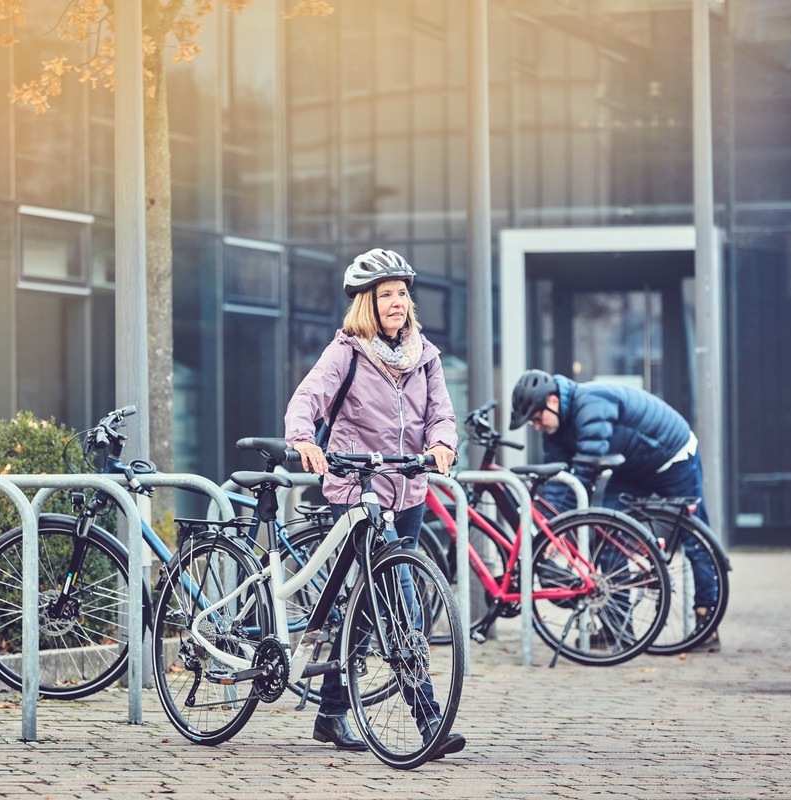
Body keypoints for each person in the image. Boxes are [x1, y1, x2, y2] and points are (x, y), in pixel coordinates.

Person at [284, 248, 465, 758]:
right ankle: (429, 719)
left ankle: (330, 713)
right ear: (367, 303)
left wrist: (443, 445)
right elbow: (307, 399)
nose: (396, 303)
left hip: (409, 490)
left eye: (402, 294)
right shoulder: (347, 352)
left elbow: (441, 414)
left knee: (365, 609)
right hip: (358, 490)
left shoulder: (425, 356)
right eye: (386, 295)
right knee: (398, 599)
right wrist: (304, 440)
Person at [508, 369, 722, 652]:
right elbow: (562, 484)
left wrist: (558, 529)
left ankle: (707, 624)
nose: (535, 426)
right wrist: (551, 528)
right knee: (609, 538)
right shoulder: (555, 430)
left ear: (553, 401)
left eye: (536, 418)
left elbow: (585, 471)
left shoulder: (592, 403)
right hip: (631, 468)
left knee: (695, 542)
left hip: (674, 458)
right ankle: (617, 628)